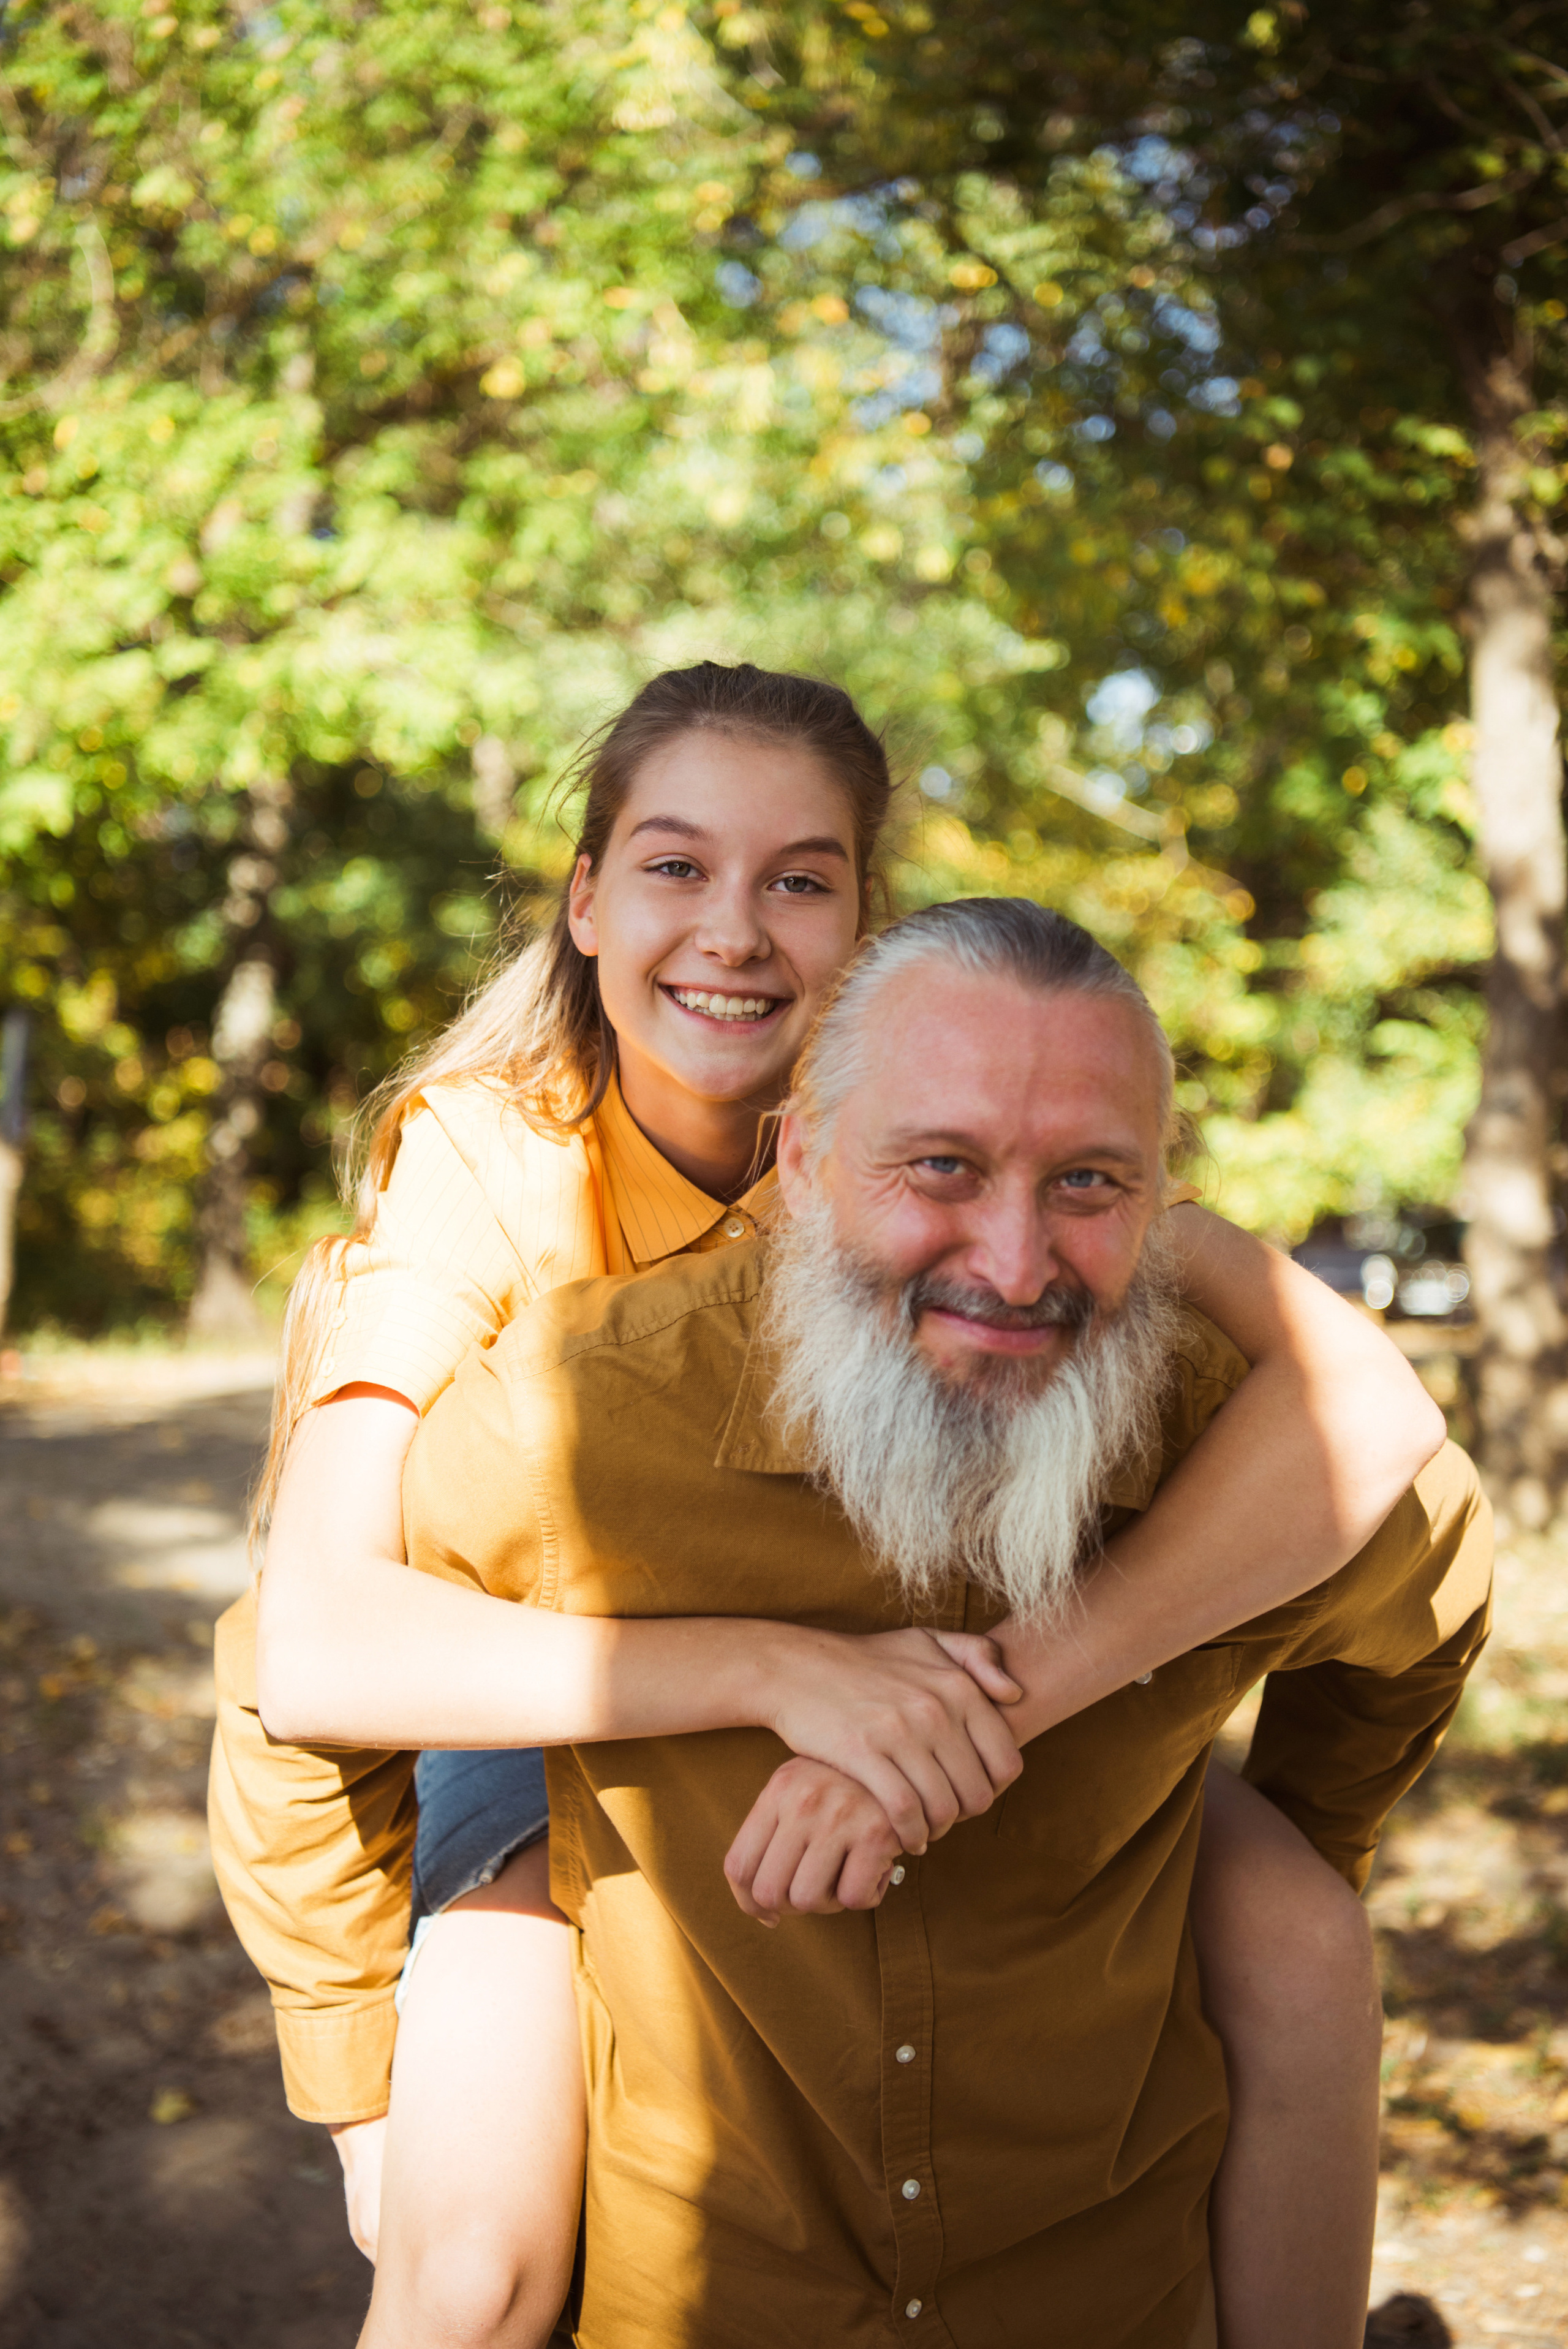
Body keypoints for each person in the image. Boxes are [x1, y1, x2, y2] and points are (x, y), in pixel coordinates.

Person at [207, 664, 1443, 2349]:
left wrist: (1007, 1706)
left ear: (869, 925)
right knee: (479, 2235)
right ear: (583, 899)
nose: (736, 928)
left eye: (801, 877)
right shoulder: (488, 1163)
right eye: (674, 866)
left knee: (1295, 1928)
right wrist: (367, 2097)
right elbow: (321, 1634)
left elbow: (1368, 1407)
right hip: (566, 1670)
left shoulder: (998, 1139)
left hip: (972, 1651)